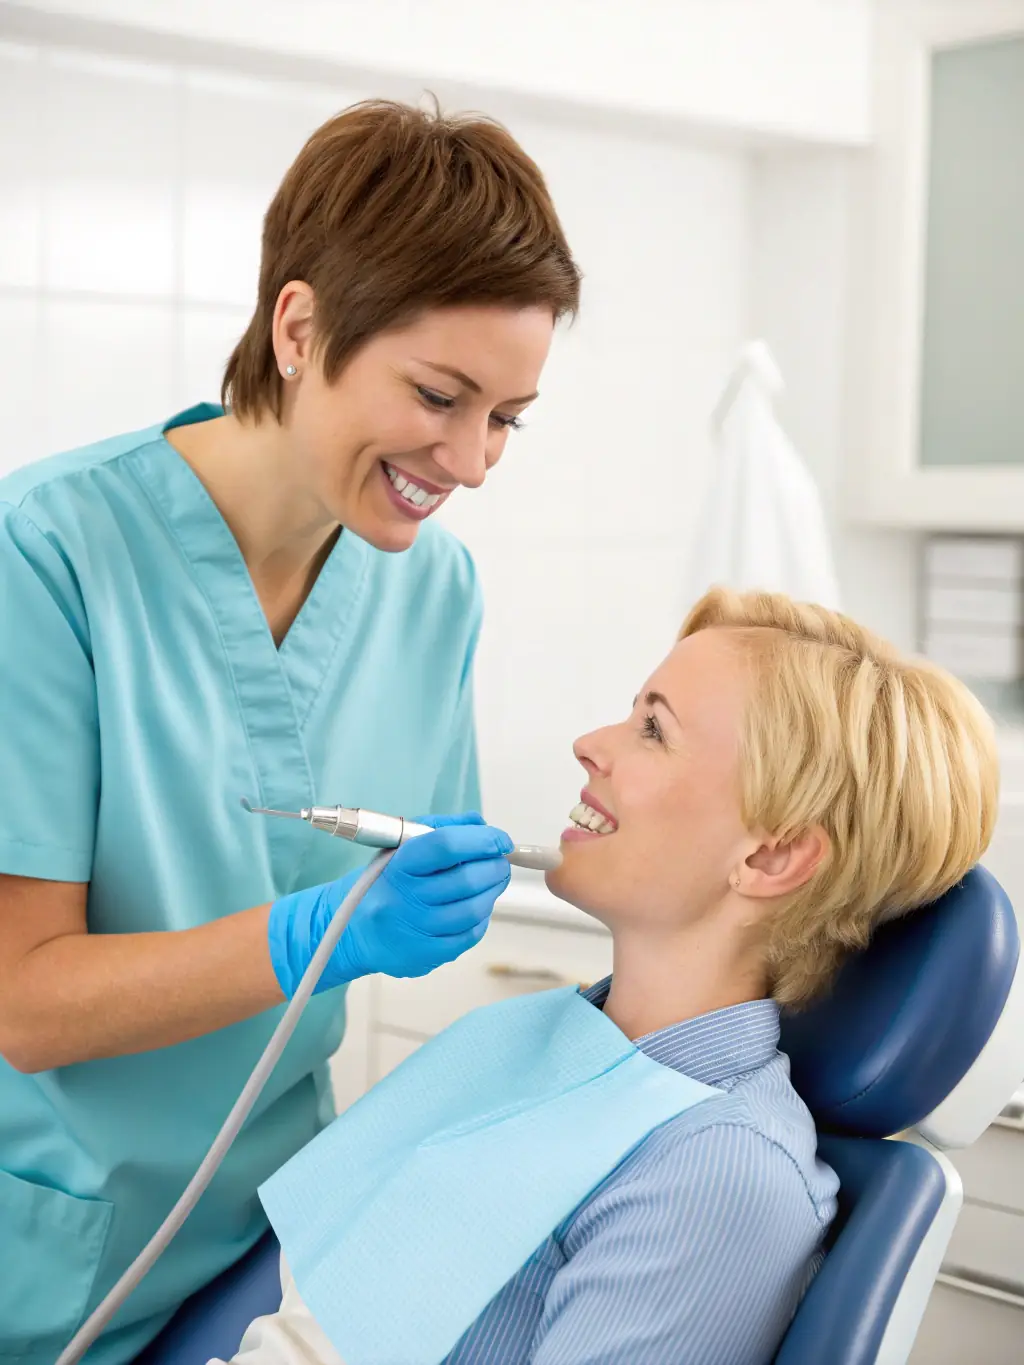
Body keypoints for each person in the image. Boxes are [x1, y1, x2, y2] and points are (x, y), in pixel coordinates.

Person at [0, 100, 580, 1365]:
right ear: (300, 327)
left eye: (506, 418)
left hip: (270, 1252)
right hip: (41, 1256)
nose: (471, 461)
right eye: (440, 395)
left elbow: (392, 875)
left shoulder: (433, 588)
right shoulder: (45, 553)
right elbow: (21, 1002)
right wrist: (311, 934)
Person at [216, 588, 999, 1365]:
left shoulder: (717, 1176)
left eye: (653, 729)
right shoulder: (528, 1042)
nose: (590, 742)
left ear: (769, 857)